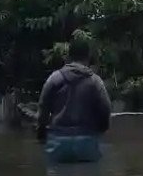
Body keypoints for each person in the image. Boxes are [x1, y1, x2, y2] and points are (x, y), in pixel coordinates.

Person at [36, 34, 112, 163]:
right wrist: (101, 128)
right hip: (87, 140)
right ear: (88, 57)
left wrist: (41, 133)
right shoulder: (95, 81)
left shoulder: (55, 78)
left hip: (58, 141)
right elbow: (106, 109)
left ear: (68, 57)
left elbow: (43, 108)